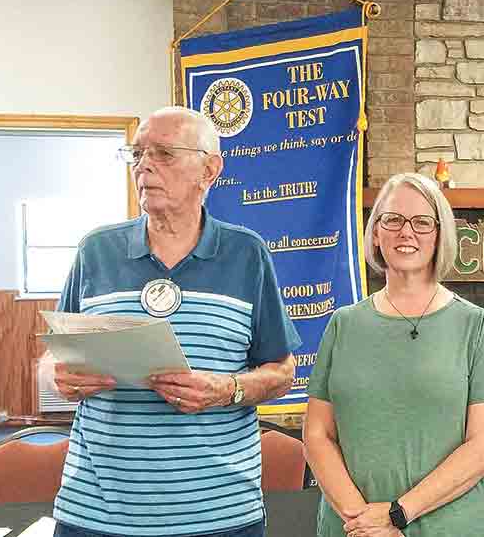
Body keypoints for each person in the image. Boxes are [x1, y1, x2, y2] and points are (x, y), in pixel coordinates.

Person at [45, 106, 301, 537]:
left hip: (219, 514)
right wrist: (59, 379)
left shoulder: (247, 254)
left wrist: (226, 389)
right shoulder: (96, 251)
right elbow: (51, 359)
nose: (144, 165)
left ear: (210, 169)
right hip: (96, 514)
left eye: (163, 153)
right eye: (138, 153)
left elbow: (281, 371)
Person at [303, 173, 484, 537]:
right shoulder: (343, 325)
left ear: (440, 234)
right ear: (376, 233)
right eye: (393, 219)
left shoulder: (476, 326)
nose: (406, 232)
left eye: (422, 222)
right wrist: (362, 520)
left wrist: (398, 515)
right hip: (355, 530)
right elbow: (318, 433)